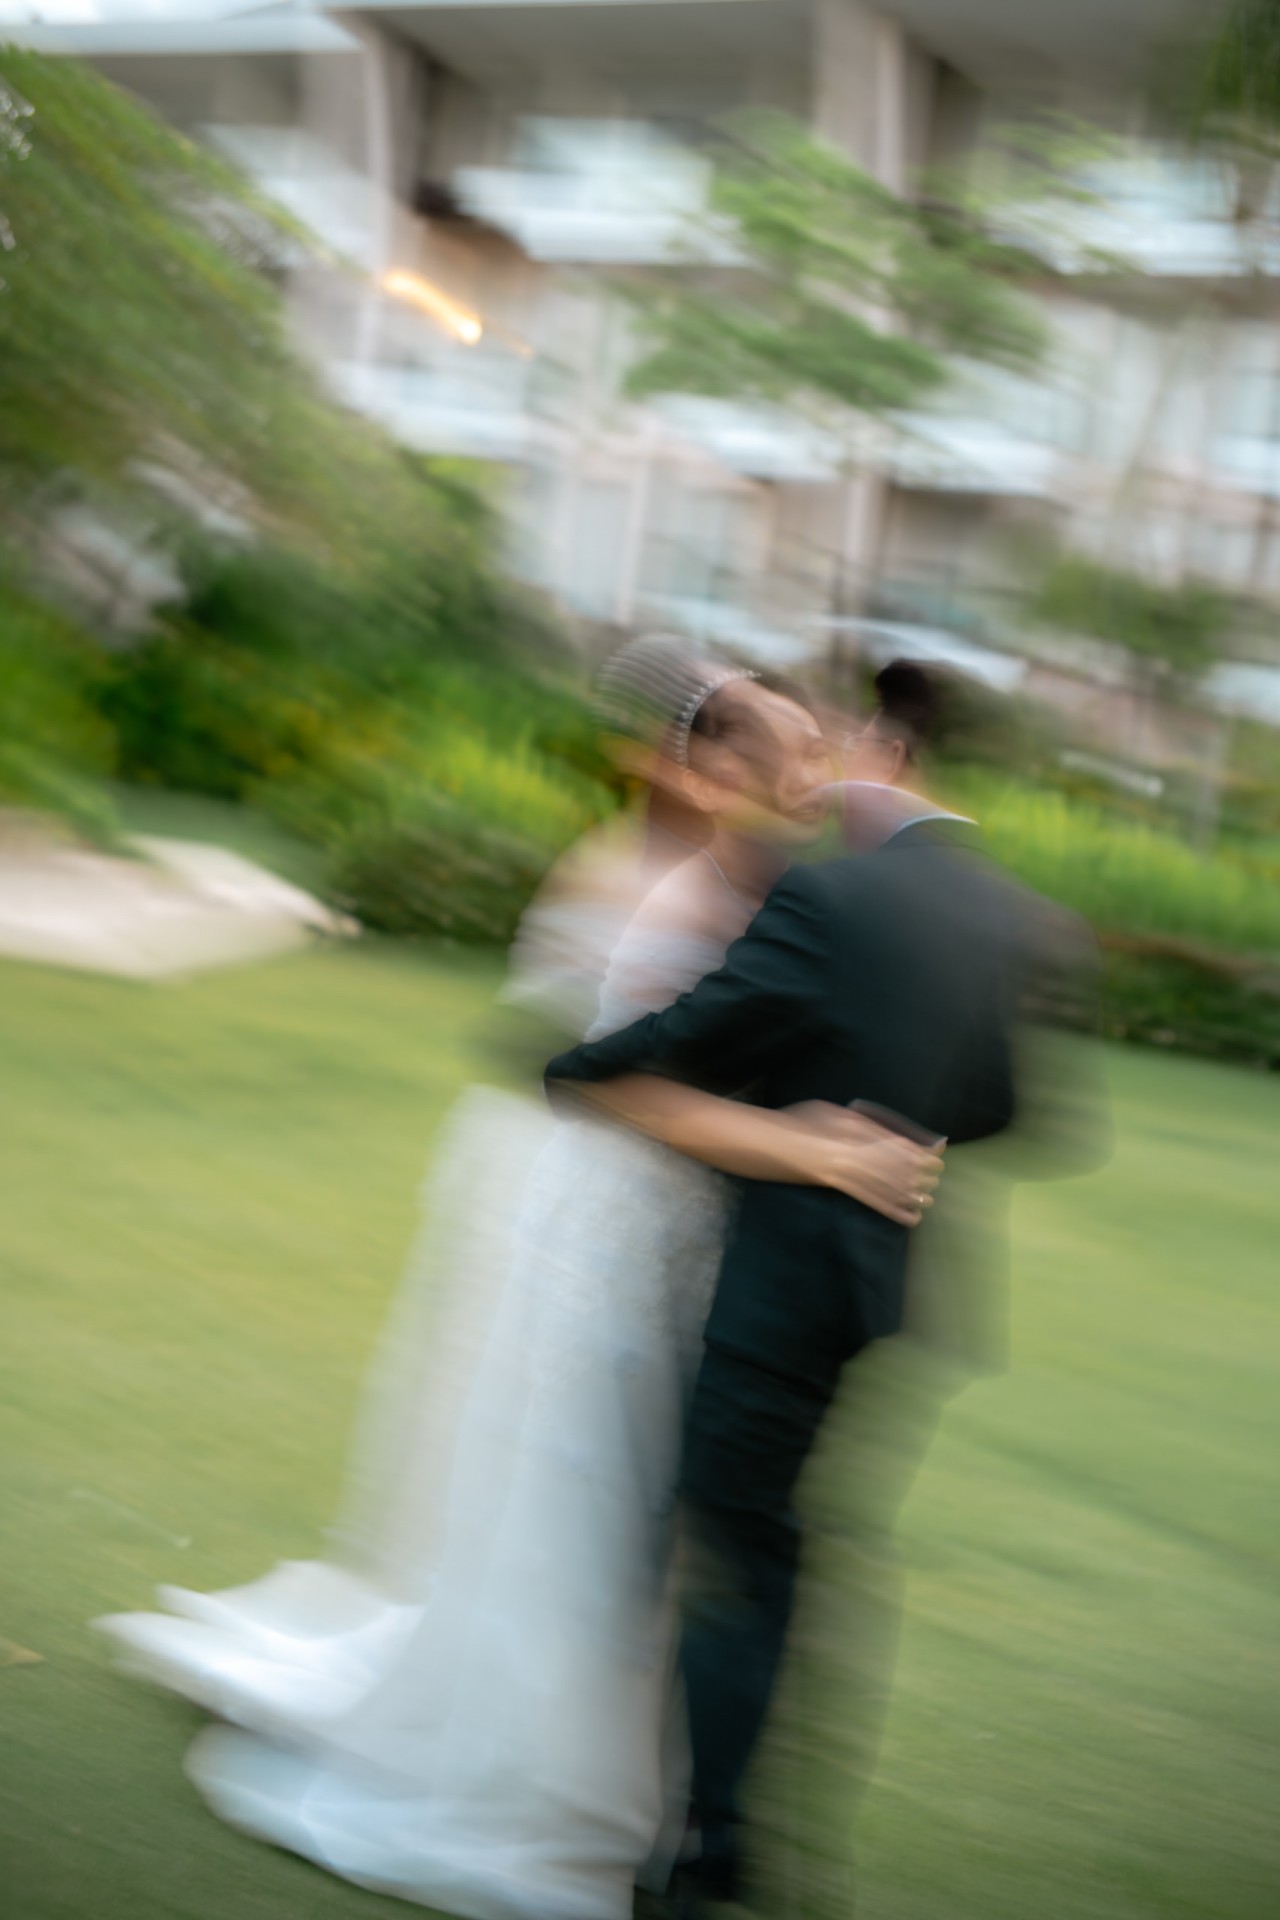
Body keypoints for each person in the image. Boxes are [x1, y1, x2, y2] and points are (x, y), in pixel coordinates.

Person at [98, 640, 942, 1920]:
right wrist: (816, 1150)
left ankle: (632, 1772)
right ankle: (540, 1773)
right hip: (620, 1219)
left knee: (637, 1496)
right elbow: (620, 1088)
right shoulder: (673, 898)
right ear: (705, 774)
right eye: (790, 752)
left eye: (817, 744)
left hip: (668, 1227)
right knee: (589, 1490)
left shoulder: (744, 880)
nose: (817, 769)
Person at [544, 657, 1099, 1909]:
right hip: (872, 1288)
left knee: (735, 1548)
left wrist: (571, 1067)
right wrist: (890, 1115)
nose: (821, 768)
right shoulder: (1014, 914)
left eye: (837, 741)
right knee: (781, 1539)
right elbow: (1005, 1110)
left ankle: (710, 1849)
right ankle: (722, 1818)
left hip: (776, 1289)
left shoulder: (830, 897)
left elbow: (683, 1039)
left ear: (884, 750)